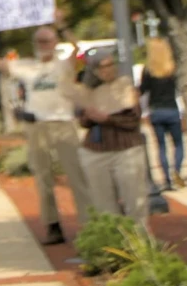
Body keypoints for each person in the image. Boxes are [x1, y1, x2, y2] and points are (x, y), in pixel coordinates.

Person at [0, 20, 91, 245]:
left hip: (63, 123)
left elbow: (81, 52)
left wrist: (63, 26)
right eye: (39, 41)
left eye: (47, 40)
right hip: (37, 125)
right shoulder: (26, 66)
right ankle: (52, 225)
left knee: (76, 174)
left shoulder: (63, 65)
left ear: (55, 42)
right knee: (42, 176)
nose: (43, 45)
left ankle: (88, 223)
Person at [64, 47, 149, 228]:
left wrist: (108, 119)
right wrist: (89, 116)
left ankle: (139, 239)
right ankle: (113, 240)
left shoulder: (125, 86)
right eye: (103, 67)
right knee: (103, 204)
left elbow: (133, 119)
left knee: (134, 201)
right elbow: (83, 121)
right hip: (97, 150)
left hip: (126, 148)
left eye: (111, 65)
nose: (108, 70)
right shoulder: (88, 91)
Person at [138, 37, 185, 189]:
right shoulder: (172, 68)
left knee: (161, 146)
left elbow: (142, 90)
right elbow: (180, 89)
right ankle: (177, 170)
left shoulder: (148, 70)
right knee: (178, 143)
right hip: (172, 109)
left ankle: (166, 179)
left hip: (156, 110)